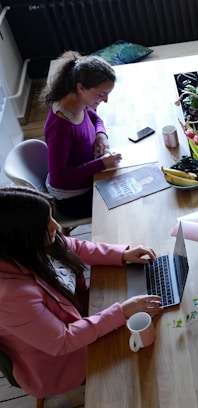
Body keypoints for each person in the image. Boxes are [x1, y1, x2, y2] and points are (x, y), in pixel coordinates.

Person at [0, 186, 162, 399]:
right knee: (155, 362)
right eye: (46, 223)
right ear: (20, 237)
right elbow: (62, 341)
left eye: (51, 217)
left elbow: (73, 246)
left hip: (84, 316)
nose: (56, 226)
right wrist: (121, 312)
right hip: (61, 362)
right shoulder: (11, 296)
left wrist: (122, 255)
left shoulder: (32, 244)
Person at [43, 51, 122, 219]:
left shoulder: (78, 101)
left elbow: (94, 117)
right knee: (124, 206)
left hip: (89, 175)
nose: (106, 100)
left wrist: (101, 134)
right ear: (81, 87)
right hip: (73, 199)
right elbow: (59, 177)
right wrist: (101, 164)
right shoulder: (61, 127)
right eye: (101, 94)